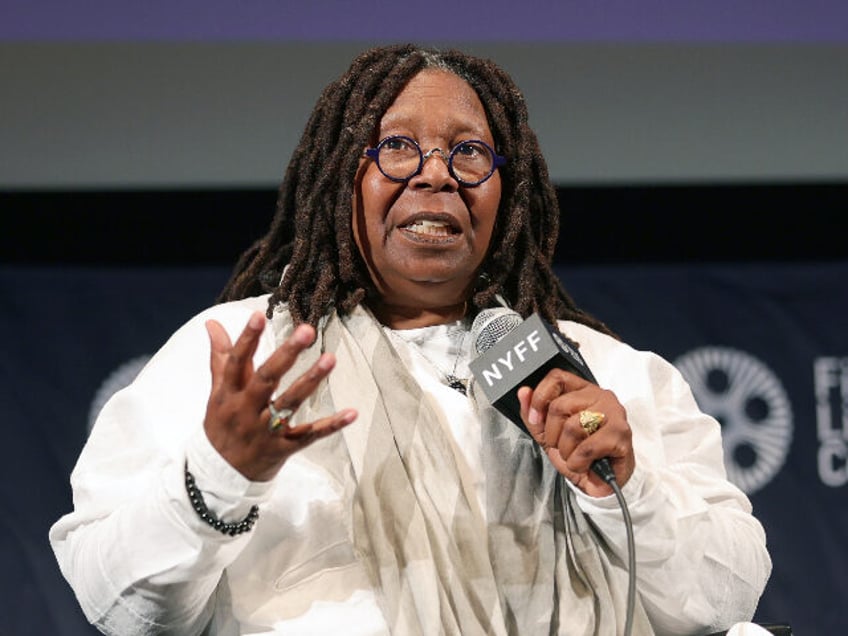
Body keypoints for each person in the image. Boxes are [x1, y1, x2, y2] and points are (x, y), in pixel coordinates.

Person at [49, 44, 771, 635]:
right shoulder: (246, 356)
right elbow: (119, 605)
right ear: (341, 176)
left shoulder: (606, 378)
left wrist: (626, 487)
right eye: (397, 147)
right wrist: (217, 474)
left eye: (469, 154)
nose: (436, 174)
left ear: (504, 192)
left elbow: (727, 600)